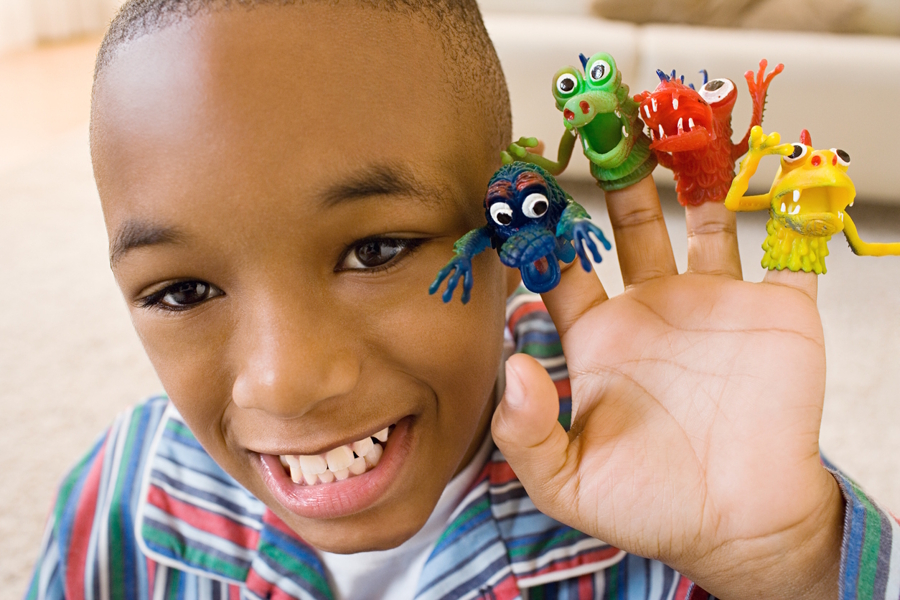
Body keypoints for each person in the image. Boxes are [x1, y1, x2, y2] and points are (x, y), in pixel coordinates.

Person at [25, 1, 899, 598]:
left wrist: (793, 561)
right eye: (183, 289)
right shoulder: (125, 494)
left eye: (375, 251)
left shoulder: (673, 483)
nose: (285, 382)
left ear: (515, 232)